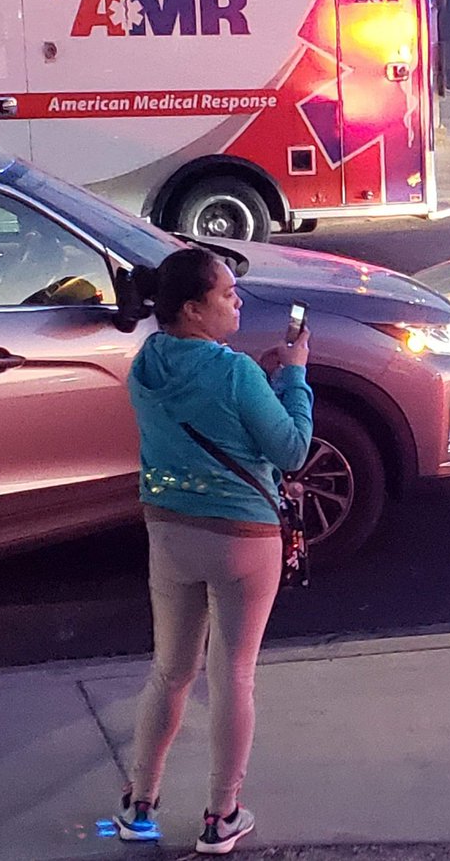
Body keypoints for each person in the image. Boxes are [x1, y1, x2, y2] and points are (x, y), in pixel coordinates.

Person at [113, 247, 313, 855]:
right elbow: (293, 450)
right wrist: (295, 375)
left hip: (168, 531)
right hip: (241, 541)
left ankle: (138, 805)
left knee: (170, 671)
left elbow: (201, 418)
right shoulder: (235, 373)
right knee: (233, 677)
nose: (238, 302)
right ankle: (220, 818)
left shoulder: (148, 360)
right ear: (195, 309)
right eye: (227, 294)